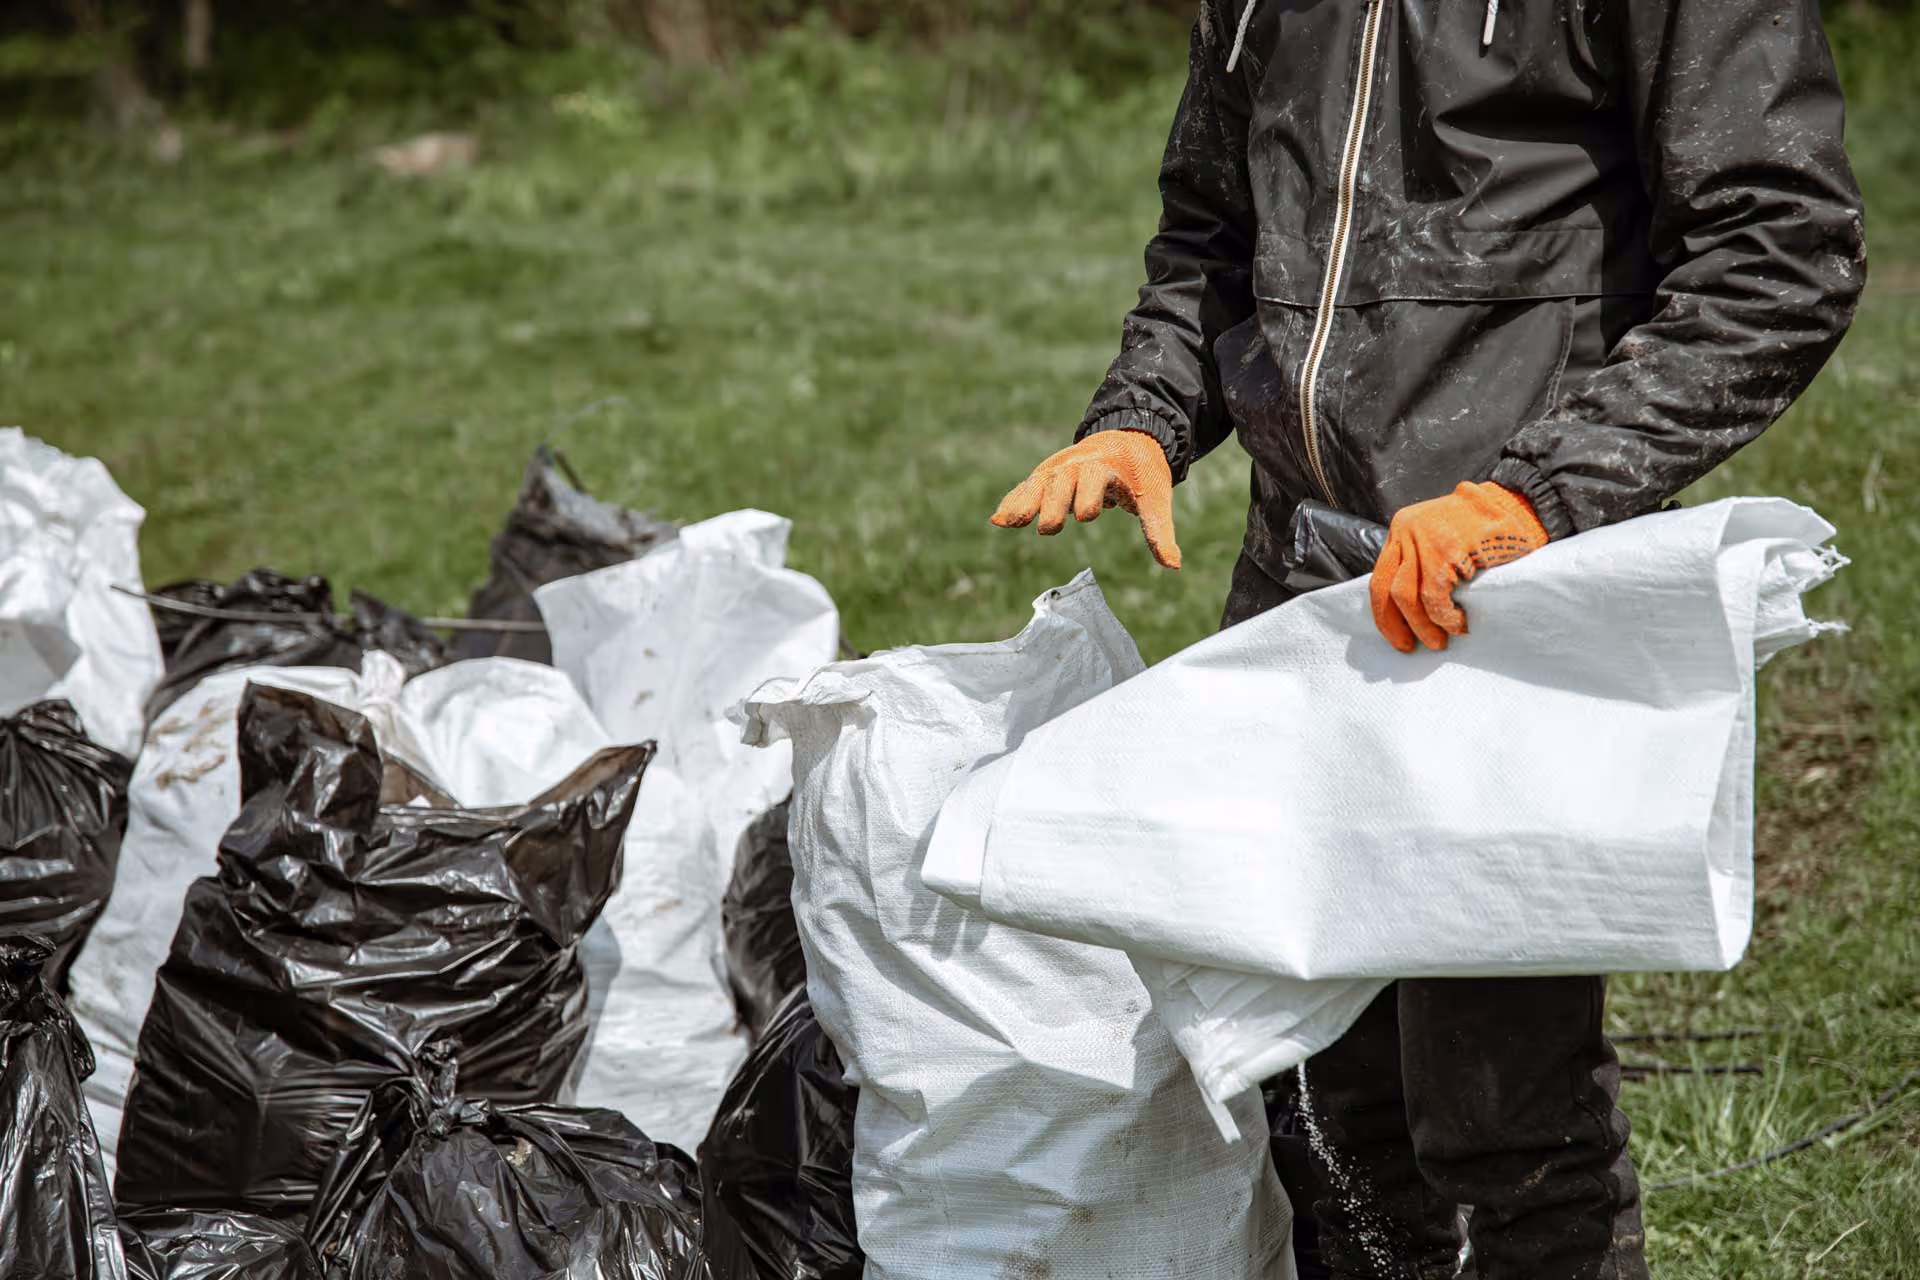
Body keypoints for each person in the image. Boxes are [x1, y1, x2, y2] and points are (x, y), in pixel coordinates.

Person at [990, 1, 1864, 1277]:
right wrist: (1145, 410)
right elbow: (1214, 231)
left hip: (1506, 597)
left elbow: (1780, 254)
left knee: (1502, 1115)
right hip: (1304, 592)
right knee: (1320, 1099)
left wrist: (1537, 494)